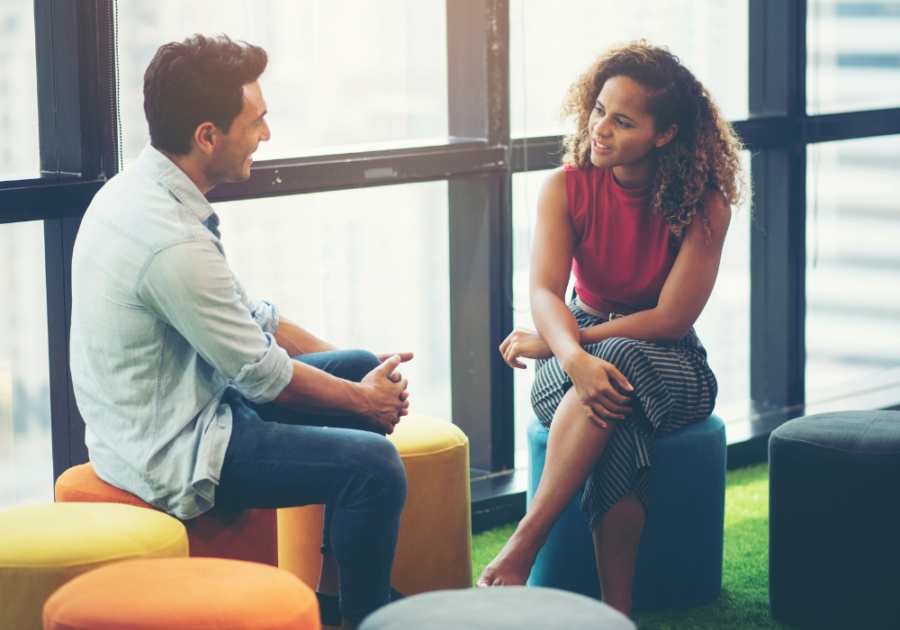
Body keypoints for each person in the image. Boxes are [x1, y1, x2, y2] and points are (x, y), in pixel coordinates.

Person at [69, 34, 411, 630]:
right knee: (376, 469)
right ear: (207, 136)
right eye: (257, 122)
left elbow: (255, 321)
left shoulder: (143, 191)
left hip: (182, 400)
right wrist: (365, 403)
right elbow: (263, 376)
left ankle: (335, 593)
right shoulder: (170, 239)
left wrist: (360, 372)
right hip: (173, 446)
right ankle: (366, 619)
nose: (266, 136)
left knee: (356, 365)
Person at [476, 41, 745, 617]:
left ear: (664, 134)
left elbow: (672, 319)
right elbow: (545, 292)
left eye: (623, 121)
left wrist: (564, 342)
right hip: (576, 357)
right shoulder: (565, 187)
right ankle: (616, 610)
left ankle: (525, 542)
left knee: (619, 369)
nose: (600, 128)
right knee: (616, 413)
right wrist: (569, 354)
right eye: (599, 109)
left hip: (669, 359)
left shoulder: (705, 205)